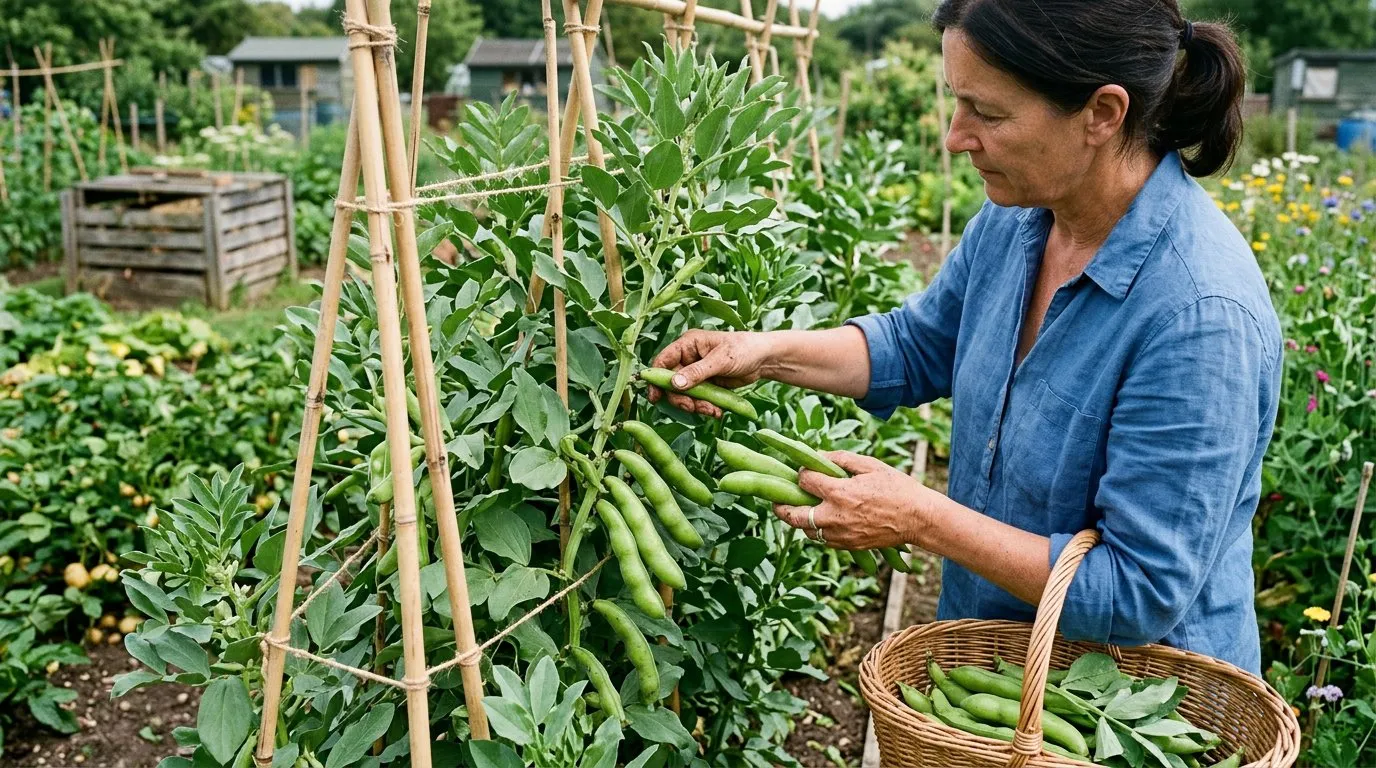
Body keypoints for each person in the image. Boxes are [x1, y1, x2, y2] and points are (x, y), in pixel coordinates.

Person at [648, 0, 1280, 674]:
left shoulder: (1199, 315)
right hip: (993, 664)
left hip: (1124, 701)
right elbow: (918, 345)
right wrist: (764, 353)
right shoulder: (1019, 220)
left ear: (1102, 113)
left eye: (988, 112)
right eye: (957, 101)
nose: (955, 137)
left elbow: (1135, 592)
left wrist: (920, 517)